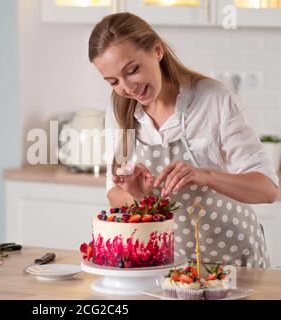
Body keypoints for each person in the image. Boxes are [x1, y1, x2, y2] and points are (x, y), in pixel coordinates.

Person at [88, 12, 280, 268]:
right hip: (167, 265)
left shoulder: (213, 100)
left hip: (235, 262)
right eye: (113, 81)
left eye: (132, 70)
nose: (128, 88)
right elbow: (113, 194)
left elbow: (268, 190)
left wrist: (205, 176)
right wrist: (140, 198)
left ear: (157, 50)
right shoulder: (120, 110)